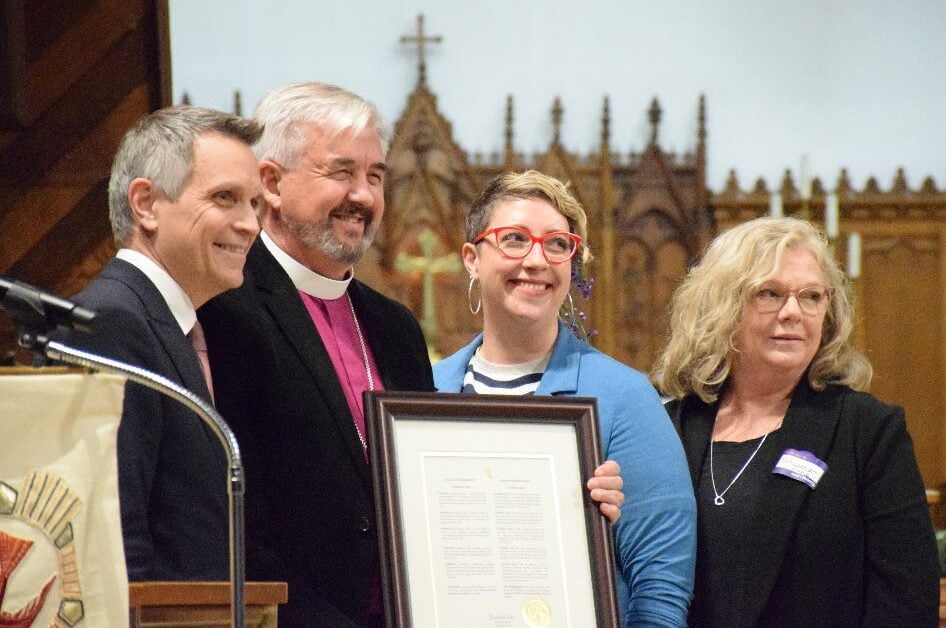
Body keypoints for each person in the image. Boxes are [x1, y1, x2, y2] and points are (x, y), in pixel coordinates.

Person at [198, 84, 622, 626]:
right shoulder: (225, 311)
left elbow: (433, 499)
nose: (364, 196)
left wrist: (569, 503)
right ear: (272, 183)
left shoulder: (391, 326)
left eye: (375, 176)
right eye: (342, 172)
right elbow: (229, 520)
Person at [433, 170, 697, 627]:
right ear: (472, 258)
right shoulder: (425, 391)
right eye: (514, 239)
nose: (537, 259)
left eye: (557, 244)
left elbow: (661, 584)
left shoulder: (624, 397)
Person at [651, 216, 940, 626]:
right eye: (769, 293)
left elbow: (906, 601)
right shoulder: (672, 427)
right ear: (722, 307)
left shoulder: (868, 431)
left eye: (811, 297)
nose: (793, 312)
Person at [58, 106, 263, 580]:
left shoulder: (170, 324)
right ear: (146, 204)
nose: (250, 224)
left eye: (254, 203)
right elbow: (112, 541)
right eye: (226, 198)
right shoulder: (112, 325)